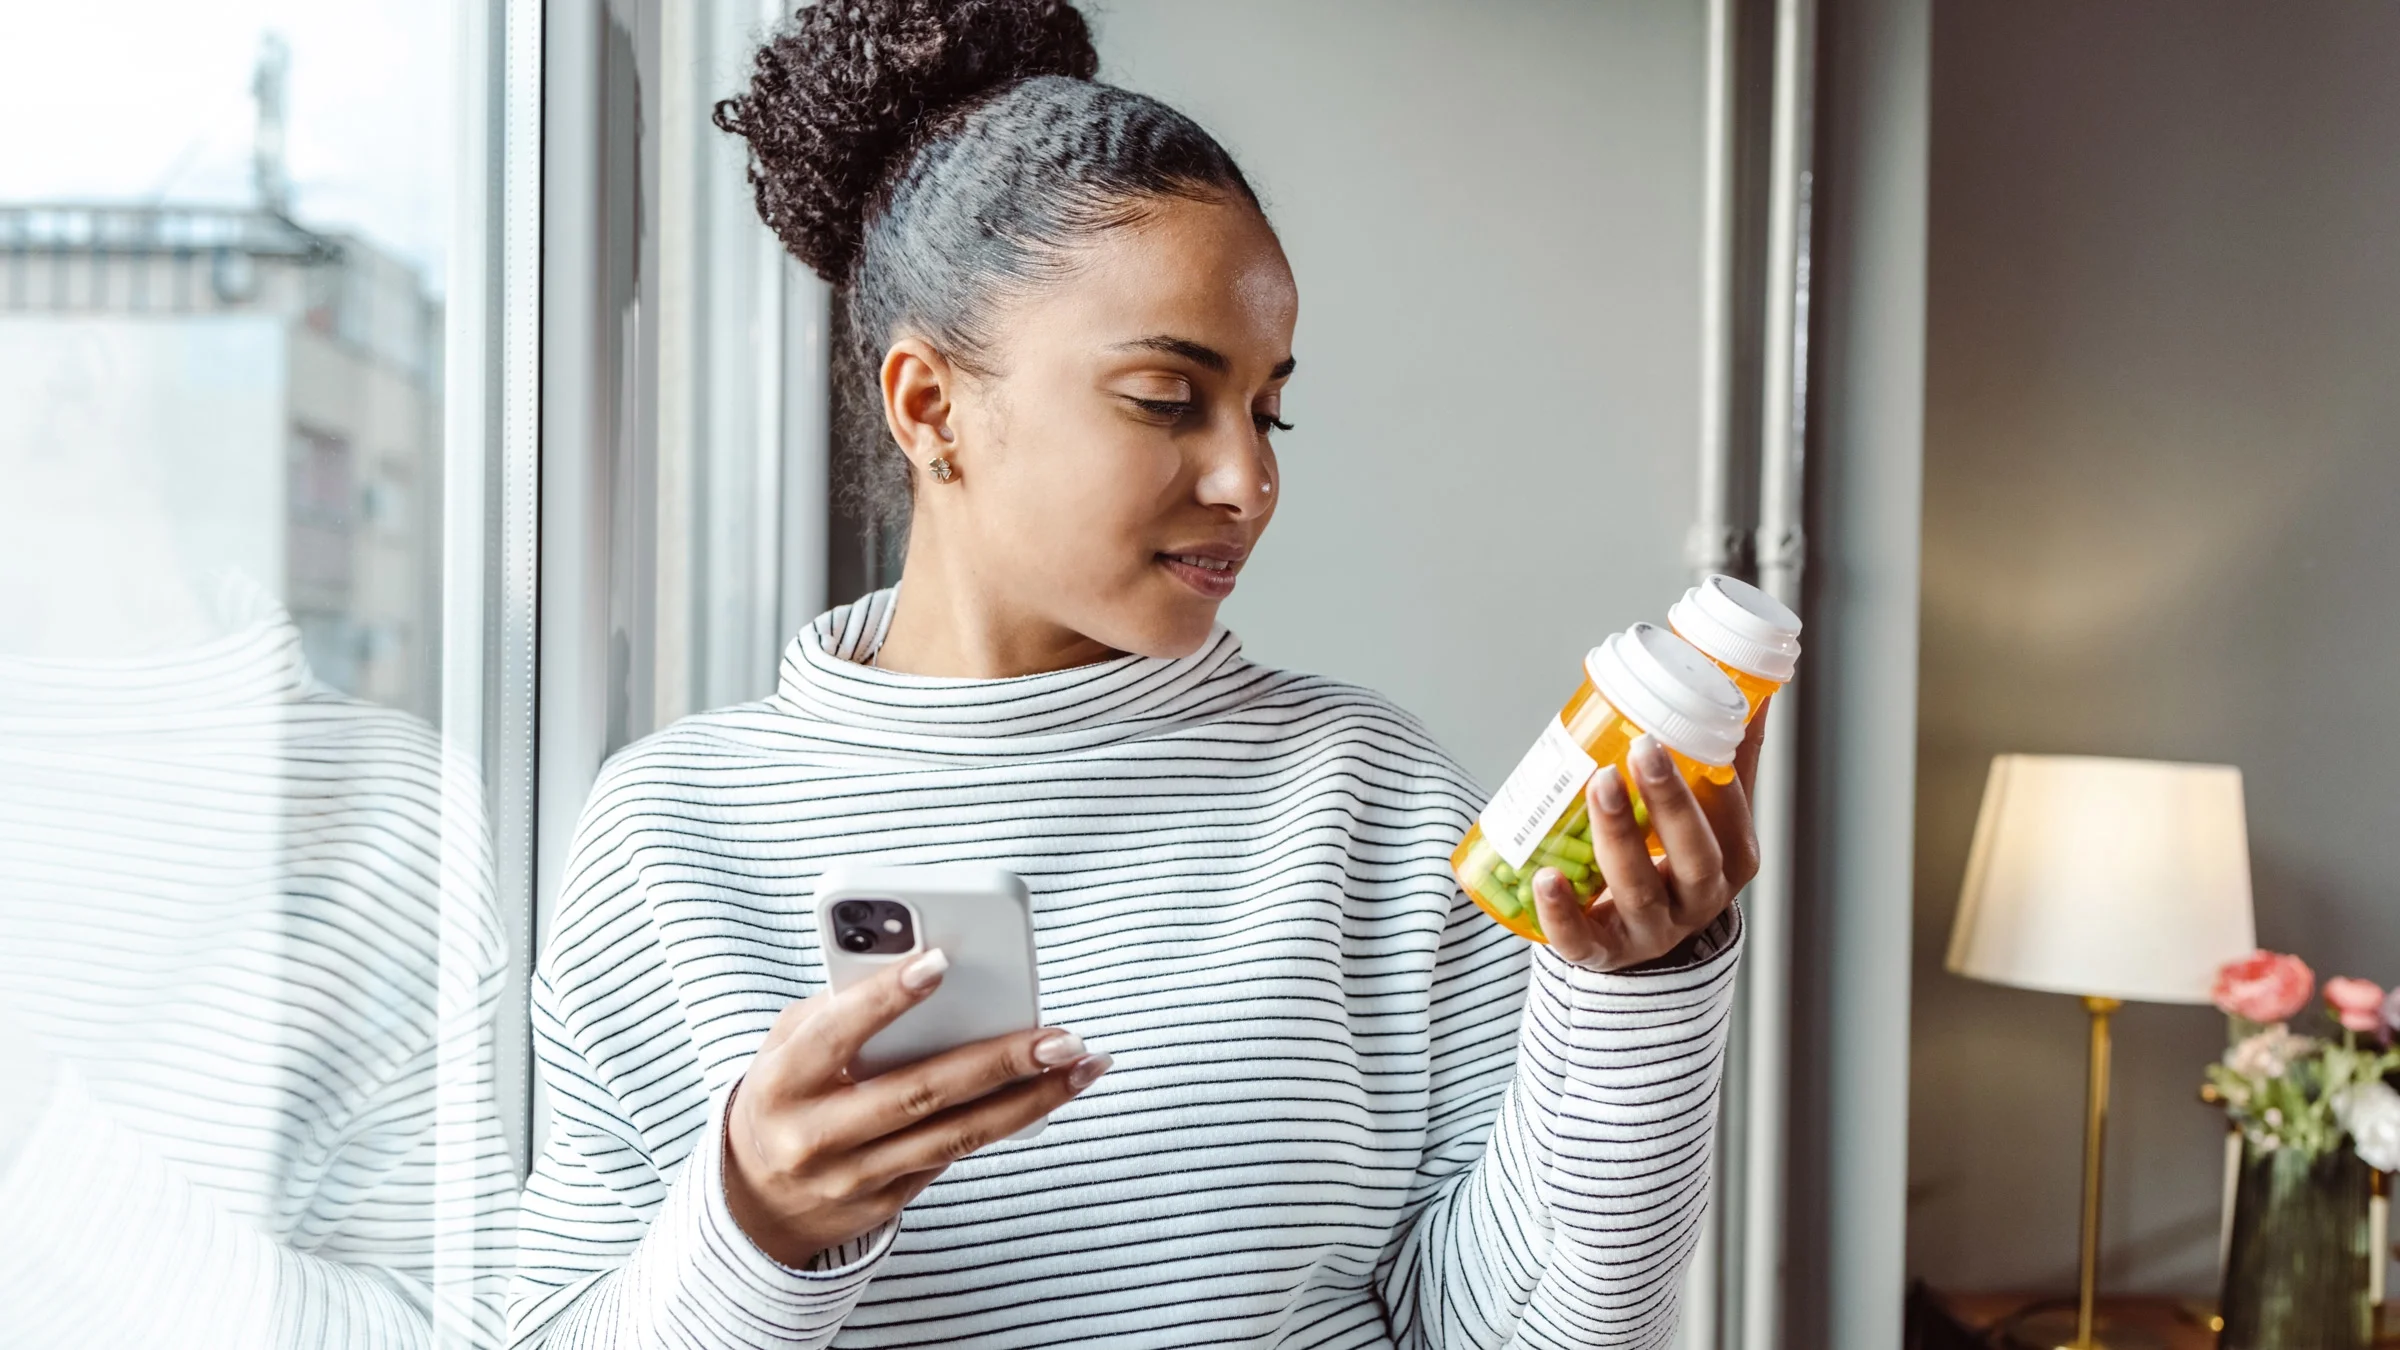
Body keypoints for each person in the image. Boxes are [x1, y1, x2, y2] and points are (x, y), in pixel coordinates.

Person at [506, 2, 1755, 1345]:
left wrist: (1634, 1003)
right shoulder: (670, 833)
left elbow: (1523, 1329)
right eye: (1171, 398)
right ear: (930, 404)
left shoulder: (1365, 795)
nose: (1250, 478)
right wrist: (753, 1222)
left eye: (1270, 407)